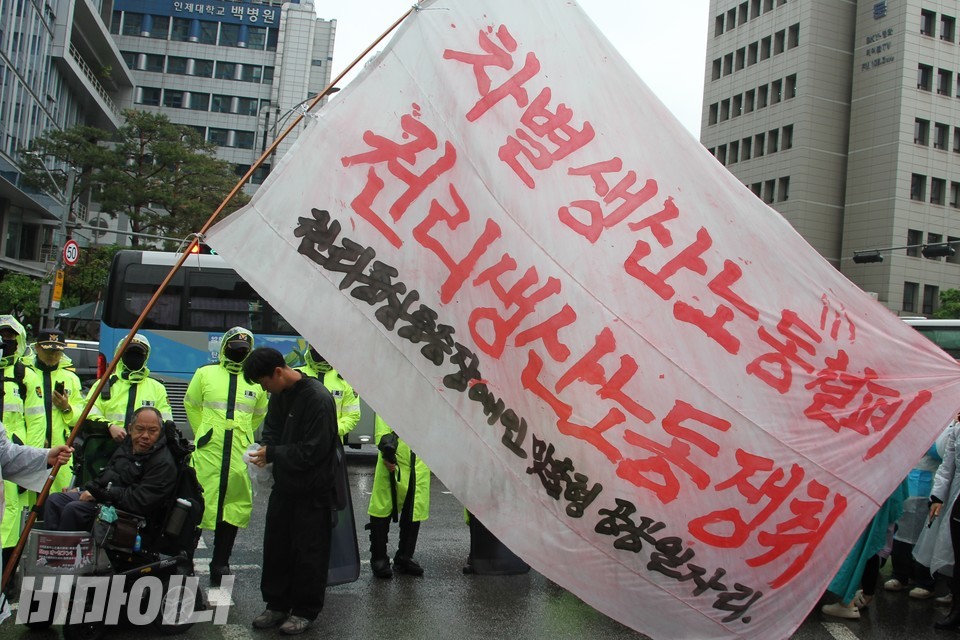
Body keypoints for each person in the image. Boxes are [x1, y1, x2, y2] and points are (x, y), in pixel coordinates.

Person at [243, 347, 338, 636]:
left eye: (263, 382)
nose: (263, 389)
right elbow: (270, 430)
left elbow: (314, 451)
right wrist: (264, 451)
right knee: (277, 547)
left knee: (309, 551)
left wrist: (274, 453)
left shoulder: (318, 398)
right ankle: (276, 604)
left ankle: (305, 610)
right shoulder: (279, 395)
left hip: (313, 491)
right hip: (284, 486)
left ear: (278, 372)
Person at [185, 327, 267, 586]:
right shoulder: (205, 374)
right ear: (224, 348)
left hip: (238, 455)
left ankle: (220, 562)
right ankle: (185, 560)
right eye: (234, 348)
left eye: (243, 349)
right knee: (199, 503)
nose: (238, 353)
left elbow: (259, 413)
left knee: (233, 507)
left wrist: (243, 434)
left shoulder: (255, 381)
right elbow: (191, 403)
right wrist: (204, 433)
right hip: (209, 452)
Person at [44, 406, 176, 532]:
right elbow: (107, 475)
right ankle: (51, 549)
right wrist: (83, 489)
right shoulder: (127, 446)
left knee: (74, 509)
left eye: (152, 431)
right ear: (130, 429)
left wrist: (101, 494)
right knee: (55, 500)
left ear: (160, 432)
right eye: (140, 429)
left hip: (129, 512)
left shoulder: (163, 462)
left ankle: (67, 552)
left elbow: (140, 501)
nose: (145, 436)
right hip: (108, 498)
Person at [821, 480, 908, 619]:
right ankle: (866, 595)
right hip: (882, 495)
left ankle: (847, 604)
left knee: (862, 547)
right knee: (870, 546)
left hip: (871, 496)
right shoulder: (897, 459)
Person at [0, 316, 46, 562]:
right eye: (2, 335)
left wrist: (31, 464)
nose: (6, 341)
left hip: (13, 456)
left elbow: (38, 422)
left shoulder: (25, 375)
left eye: (10, 336)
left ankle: (6, 569)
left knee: (13, 514)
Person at [85, 334, 172, 459]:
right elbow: (87, 418)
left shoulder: (157, 388)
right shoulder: (103, 385)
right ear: (121, 354)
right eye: (130, 352)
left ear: (146, 357)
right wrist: (109, 427)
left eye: (139, 353)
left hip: (145, 457)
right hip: (106, 454)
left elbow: (166, 424)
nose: (134, 357)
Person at [366, 415, 430, 578]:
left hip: (419, 460)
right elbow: (383, 415)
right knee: (382, 506)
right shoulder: (394, 390)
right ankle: (379, 558)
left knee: (414, 508)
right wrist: (386, 448)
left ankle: (405, 556)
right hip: (394, 458)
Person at [22, 329, 83, 493]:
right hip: (31, 447)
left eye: (57, 351)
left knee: (57, 500)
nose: (53, 355)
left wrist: (67, 408)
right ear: (37, 348)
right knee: (27, 500)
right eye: (48, 350)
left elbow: (81, 417)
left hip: (61, 452)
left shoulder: (71, 379)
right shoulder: (24, 374)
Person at [916, 416, 960, 629]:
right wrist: (938, 497)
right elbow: (948, 463)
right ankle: (956, 610)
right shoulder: (958, 425)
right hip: (957, 495)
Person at [295, 344, 360, 443]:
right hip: (300, 442)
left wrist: (333, 429)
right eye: (315, 347)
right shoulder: (296, 375)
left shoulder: (345, 379)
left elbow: (352, 415)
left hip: (332, 443)